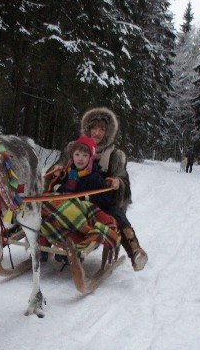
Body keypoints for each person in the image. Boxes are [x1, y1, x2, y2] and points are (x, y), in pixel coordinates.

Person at [55, 107, 148, 271]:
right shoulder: (75, 148)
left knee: (115, 212)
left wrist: (118, 182)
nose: (97, 133)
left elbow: (122, 177)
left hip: (103, 199)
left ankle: (135, 251)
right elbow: (61, 167)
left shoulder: (114, 154)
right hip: (76, 196)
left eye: (102, 129)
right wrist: (57, 171)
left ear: (107, 132)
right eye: (94, 128)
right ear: (88, 129)